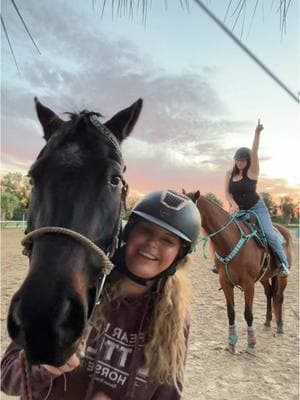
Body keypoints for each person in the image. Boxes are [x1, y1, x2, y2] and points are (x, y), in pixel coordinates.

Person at [1, 189, 201, 400]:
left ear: (180, 254)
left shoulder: (174, 320)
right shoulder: (74, 290)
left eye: (167, 240)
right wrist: (44, 367)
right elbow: (6, 378)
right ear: (128, 232)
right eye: (145, 230)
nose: (152, 244)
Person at [221, 119, 289, 278]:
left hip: (257, 207)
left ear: (248, 160)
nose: (240, 162)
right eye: (237, 160)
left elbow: (255, 151)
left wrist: (257, 133)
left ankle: (283, 264)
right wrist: (232, 204)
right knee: (225, 230)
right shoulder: (229, 174)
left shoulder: (253, 172)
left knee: (269, 234)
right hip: (239, 208)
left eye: (243, 160)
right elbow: (227, 193)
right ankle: (221, 263)